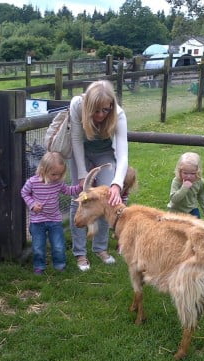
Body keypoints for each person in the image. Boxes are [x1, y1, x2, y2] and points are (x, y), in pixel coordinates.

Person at [69, 80, 128, 271]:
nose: (101, 115)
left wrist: (116, 184)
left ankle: (100, 248)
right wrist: (82, 174)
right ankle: (80, 252)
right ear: (88, 107)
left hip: (105, 155)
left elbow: (122, 153)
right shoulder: (77, 104)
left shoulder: (118, 115)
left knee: (108, 199)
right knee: (78, 198)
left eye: (105, 110)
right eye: (96, 111)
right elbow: (76, 140)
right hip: (81, 154)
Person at [21, 152, 82, 275]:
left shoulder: (58, 183)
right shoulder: (32, 182)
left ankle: (59, 265)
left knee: (58, 245)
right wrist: (32, 205)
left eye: (60, 174)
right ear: (43, 169)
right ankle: (39, 266)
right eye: (54, 174)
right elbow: (24, 193)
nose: (56, 177)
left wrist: (80, 187)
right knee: (38, 247)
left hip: (55, 220)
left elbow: (69, 191)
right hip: (37, 221)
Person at [167, 152, 204, 218]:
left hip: (192, 209)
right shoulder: (176, 181)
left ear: (198, 171)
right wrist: (184, 187)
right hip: (176, 210)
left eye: (192, 173)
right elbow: (174, 199)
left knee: (196, 227)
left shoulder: (199, 181)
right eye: (185, 173)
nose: (188, 176)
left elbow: (202, 195)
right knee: (176, 227)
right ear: (180, 171)